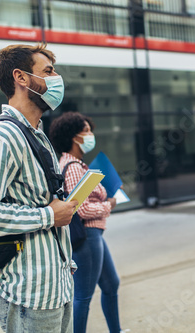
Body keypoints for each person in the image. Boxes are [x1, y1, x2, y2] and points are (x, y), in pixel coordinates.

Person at [0, 44, 78, 333]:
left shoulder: (36, 134)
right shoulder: (0, 135)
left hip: (56, 286)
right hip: (27, 293)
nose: (55, 78)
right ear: (21, 78)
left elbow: (43, 202)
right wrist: (48, 217)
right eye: (47, 71)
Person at [49, 112, 124, 333]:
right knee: (83, 295)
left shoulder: (77, 165)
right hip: (88, 237)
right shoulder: (72, 167)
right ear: (74, 137)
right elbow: (79, 208)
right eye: (86, 131)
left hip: (94, 236)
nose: (91, 134)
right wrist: (109, 204)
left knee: (111, 284)